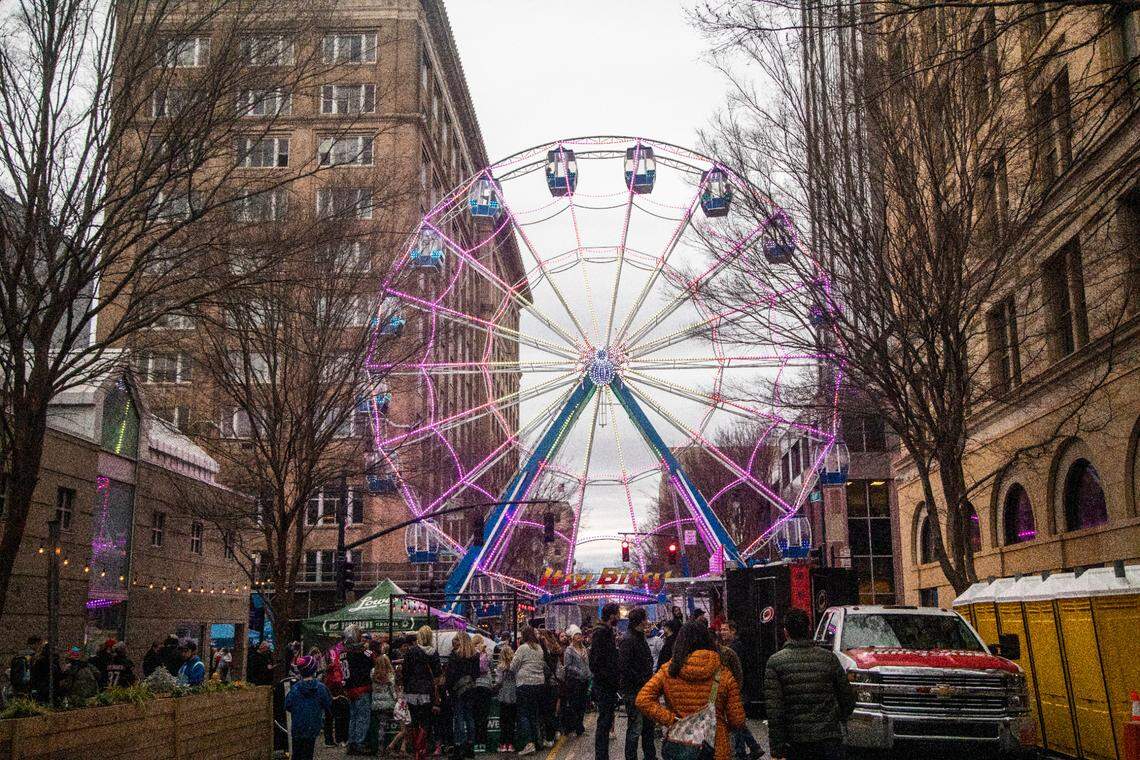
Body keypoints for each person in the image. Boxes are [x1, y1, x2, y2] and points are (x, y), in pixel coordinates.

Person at [636, 622, 746, 760]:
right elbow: (738, 720)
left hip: (681, 743)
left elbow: (642, 699)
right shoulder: (723, 673)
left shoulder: (669, 670)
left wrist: (671, 719)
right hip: (716, 747)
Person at [763, 609, 855, 760]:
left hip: (796, 741)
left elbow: (775, 712)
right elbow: (847, 699)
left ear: (786, 632)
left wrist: (777, 750)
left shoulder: (775, 662)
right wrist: (834, 719)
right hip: (828, 739)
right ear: (809, 629)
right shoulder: (829, 658)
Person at [718, 623, 762, 760]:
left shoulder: (731, 650)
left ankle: (740, 752)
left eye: (725, 629)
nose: (722, 632)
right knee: (737, 720)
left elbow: (736, 672)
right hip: (735, 690)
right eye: (721, 630)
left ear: (733, 631)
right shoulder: (729, 648)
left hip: (735, 691)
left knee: (735, 722)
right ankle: (754, 747)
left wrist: (734, 690)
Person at [619, 608, 658, 760]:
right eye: (646, 618)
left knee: (648, 727)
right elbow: (624, 667)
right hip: (634, 690)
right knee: (635, 729)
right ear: (641, 621)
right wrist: (642, 679)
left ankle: (650, 756)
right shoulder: (628, 639)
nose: (647, 621)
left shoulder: (638, 637)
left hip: (644, 689)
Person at [403, 626, 443, 760]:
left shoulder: (411, 651)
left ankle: (416, 750)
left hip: (412, 690)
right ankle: (420, 750)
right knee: (426, 721)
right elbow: (437, 674)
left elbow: (405, 672)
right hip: (427, 691)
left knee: (414, 720)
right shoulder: (434, 653)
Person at [589, 603, 622, 760]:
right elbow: (596, 661)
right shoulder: (601, 633)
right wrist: (608, 678)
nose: (620, 617)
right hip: (604, 685)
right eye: (618, 613)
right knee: (604, 722)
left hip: (607, 684)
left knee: (606, 720)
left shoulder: (606, 632)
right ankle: (601, 756)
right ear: (611, 616)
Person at [286, 655, 333, 760]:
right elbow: (328, 704)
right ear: (314, 670)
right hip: (312, 725)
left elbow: (288, 705)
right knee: (308, 753)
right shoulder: (320, 688)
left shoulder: (295, 688)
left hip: (297, 726)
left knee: (296, 753)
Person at [510, 626, 546, 756]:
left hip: (524, 684)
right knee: (534, 714)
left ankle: (528, 743)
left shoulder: (522, 648)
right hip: (539, 684)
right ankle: (537, 741)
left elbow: (513, 666)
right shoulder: (539, 648)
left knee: (523, 714)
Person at [445, 630, 480, 760]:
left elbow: (450, 675)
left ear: (460, 641)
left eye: (455, 639)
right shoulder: (474, 655)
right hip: (471, 689)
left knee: (458, 718)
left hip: (457, 690)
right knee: (469, 717)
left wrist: (448, 688)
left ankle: (459, 747)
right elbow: (477, 674)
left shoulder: (454, 656)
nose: (453, 641)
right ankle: (470, 747)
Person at [341, 626, 375, 755]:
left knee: (353, 717)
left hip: (349, 689)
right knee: (362, 717)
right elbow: (373, 659)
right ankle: (359, 743)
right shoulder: (363, 653)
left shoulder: (343, 654)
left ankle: (352, 742)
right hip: (362, 688)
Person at [560, 625, 589, 737]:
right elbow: (567, 666)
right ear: (572, 637)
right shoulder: (569, 650)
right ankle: (573, 726)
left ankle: (580, 727)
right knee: (574, 704)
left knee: (582, 704)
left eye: (580, 634)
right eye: (577, 635)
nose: (579, 636)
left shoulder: (584, 649)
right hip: (574, 681)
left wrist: (588, 673)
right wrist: (579, 671)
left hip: (584, 680)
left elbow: (587, 663)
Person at [369, 651, 397, 754]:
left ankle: (378, 748)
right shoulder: (390, 674)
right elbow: (392, 690)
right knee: (387, 726)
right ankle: (386, 747)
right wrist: (396, 699)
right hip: (388, 704)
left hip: (376, 704)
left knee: (379, 725)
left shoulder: (373, 672)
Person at [470, 635, 494, 751]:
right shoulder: (487, 653)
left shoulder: (470, 653)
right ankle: (483, 742)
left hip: (474, 686)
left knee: (475, 716)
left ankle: (475, 743)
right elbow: (493, 667)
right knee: (484, 716)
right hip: (486, 686)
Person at [323, 643, 350, 748]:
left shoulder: (331, 664)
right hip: (337, 693)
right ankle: (341, 739)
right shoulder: (338, 664)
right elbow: (337, 679)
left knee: (329, 718)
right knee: (340, 717)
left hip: (329, 692)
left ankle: (329, 739)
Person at [495, 643, 518, 753]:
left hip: (504, 694)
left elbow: (498, 681)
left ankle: (503, 744)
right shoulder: (514, 667)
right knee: (512, 721)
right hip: (514, 694)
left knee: (503, 721)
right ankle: (511, 744)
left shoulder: (500, 667)